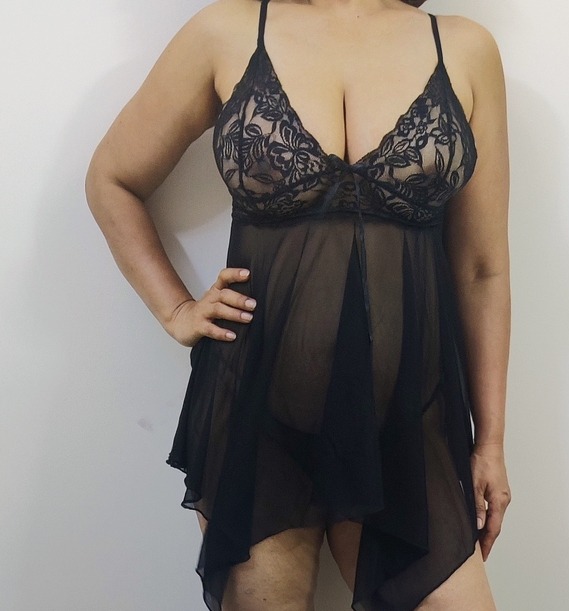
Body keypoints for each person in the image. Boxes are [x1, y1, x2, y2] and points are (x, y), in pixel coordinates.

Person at [85, 0, 511, 608]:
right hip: (257, 416)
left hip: (408, 427)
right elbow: (112, 179)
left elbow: (481, 268)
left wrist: (490, 441)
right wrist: (174, 309)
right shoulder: (225, 32)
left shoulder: (464, 48)